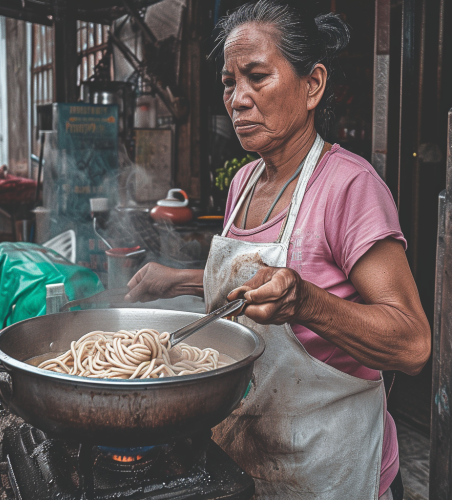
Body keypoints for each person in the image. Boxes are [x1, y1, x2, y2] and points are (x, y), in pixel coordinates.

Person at [125, 1, 431, 498]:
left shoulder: (349, 187)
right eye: (229, 82)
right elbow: (251, 287)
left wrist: (307, 303)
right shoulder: (245, 181)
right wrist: (179, 278)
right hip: (244, 457)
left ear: (312, 86)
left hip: (331, 465)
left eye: (257, 77)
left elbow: (413, 345)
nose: (238, 99)